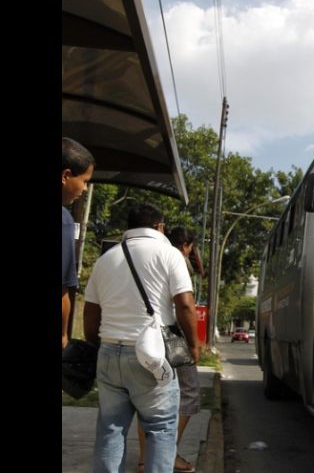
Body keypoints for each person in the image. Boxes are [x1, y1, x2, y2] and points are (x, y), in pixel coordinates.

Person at [83, 203, 200, 473]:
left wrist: (97, 345)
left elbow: (91, 312)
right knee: (160, 428)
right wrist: (193, 346)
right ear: (159, 227)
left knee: (110, 430)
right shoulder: (170, 254)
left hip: (110, 353)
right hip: (152, 355)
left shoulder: (106, 259)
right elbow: (184, 305)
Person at [136, 226, 200, 473]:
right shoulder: (176, 259)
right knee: (189, 392)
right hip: (172, 335)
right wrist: (194, 345)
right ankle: (168, 454)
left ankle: (144, 460)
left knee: (148, 397)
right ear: (186, 246)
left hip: (143, 334)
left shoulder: (151, 256)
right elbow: (184, 306)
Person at [62, 137, 95, 349]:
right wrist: (63, 336)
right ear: (66, 176)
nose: (84, 189)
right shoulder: (63, 219)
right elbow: (62, 290)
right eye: (84, 181)